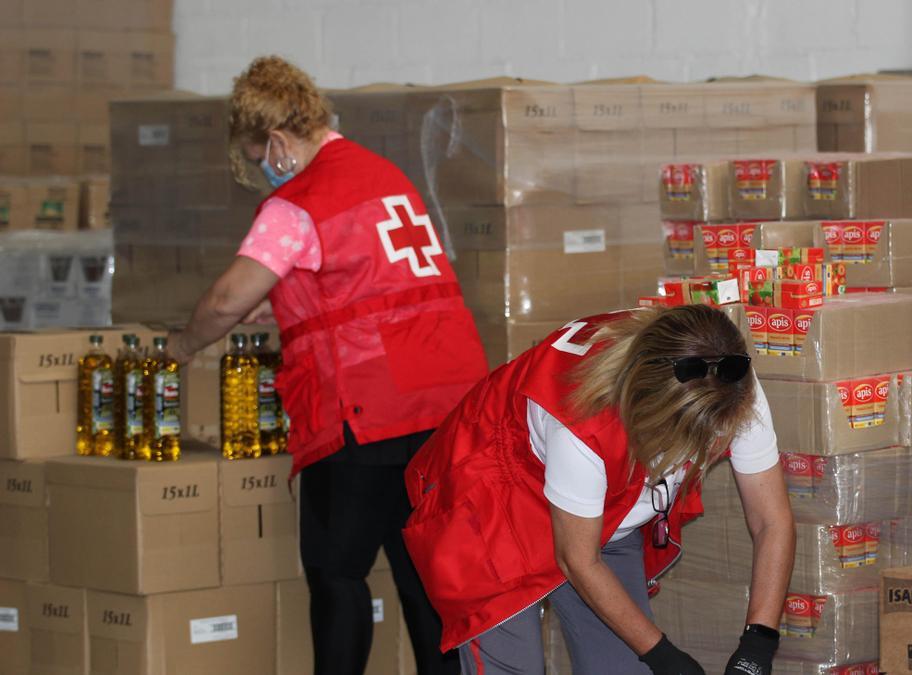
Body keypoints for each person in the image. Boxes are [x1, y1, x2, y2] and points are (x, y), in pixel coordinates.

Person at [165, 56, 487, 675]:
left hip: (364, 415)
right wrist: (286, 304)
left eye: (258, 154)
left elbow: (225, 299)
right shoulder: (380, 174)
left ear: (280, 142)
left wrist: (183, 346)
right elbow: (369, 280)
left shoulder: (297, 205)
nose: (262, 169)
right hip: (438, 407)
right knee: (422, 578)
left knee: (336, 574)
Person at [403, 304, 796, 675]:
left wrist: (758, 644)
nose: (706, 452)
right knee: (516, 666)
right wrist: (665, 657)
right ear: (648, 413)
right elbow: (579, 559)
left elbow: (770, 520)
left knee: (623, 668)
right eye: (691, 441)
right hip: (495, 499)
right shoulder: (585, 424)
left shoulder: (727, 382)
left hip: (602, 510)